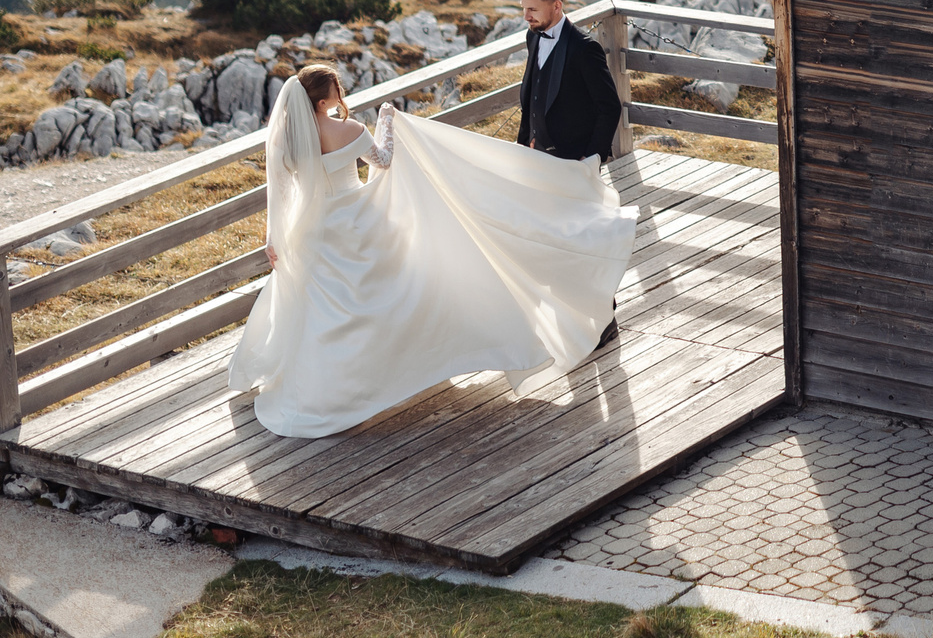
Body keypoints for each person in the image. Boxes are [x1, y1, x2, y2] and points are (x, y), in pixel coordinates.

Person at [227, 62, 635, 439]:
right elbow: (383, 160)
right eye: (336, 88)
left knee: (323, 311)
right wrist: (387, 119)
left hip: (315, 231)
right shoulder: (348, 131)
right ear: (322, 100)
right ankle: (413, 365)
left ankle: (329, 389)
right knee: (401, 291)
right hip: (357, 221)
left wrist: (273, 237)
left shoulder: (292, 140)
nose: (341, 92)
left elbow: (280, 190)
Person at [515, 0, 622, 163]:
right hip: (533, 155)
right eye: (524, 8)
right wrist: (525, 141)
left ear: (557, 6)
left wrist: (590, 158)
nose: (526, 17)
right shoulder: (532, 35)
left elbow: (610, 107)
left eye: (533, 9)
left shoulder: (585, 48)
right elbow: (533, 94)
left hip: (572, 160)